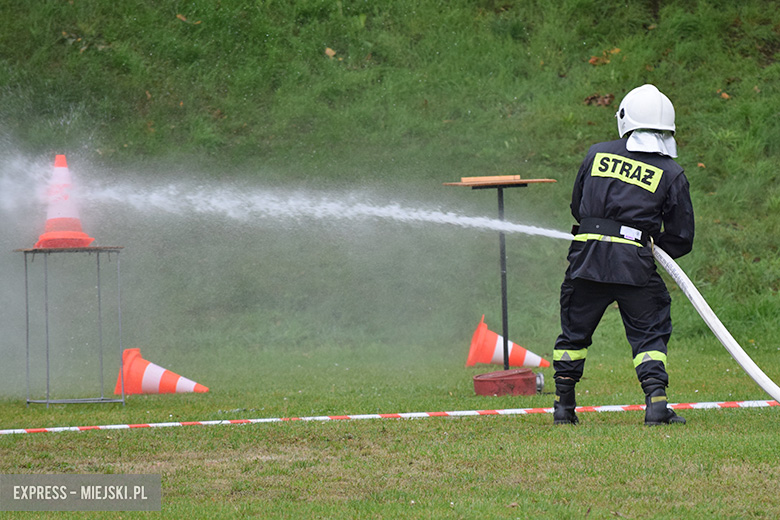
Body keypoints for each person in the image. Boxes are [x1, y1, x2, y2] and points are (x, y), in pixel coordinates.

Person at [553, 84, 694, 426]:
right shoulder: (671, 172)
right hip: (634, 265)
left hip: (585, 259)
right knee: (649, 333)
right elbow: (681, 236)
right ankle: (657, 405)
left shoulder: (596, 154)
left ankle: (563, 408)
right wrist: (650, 247)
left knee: (574, 333)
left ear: (624, 119)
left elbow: (577, 207)